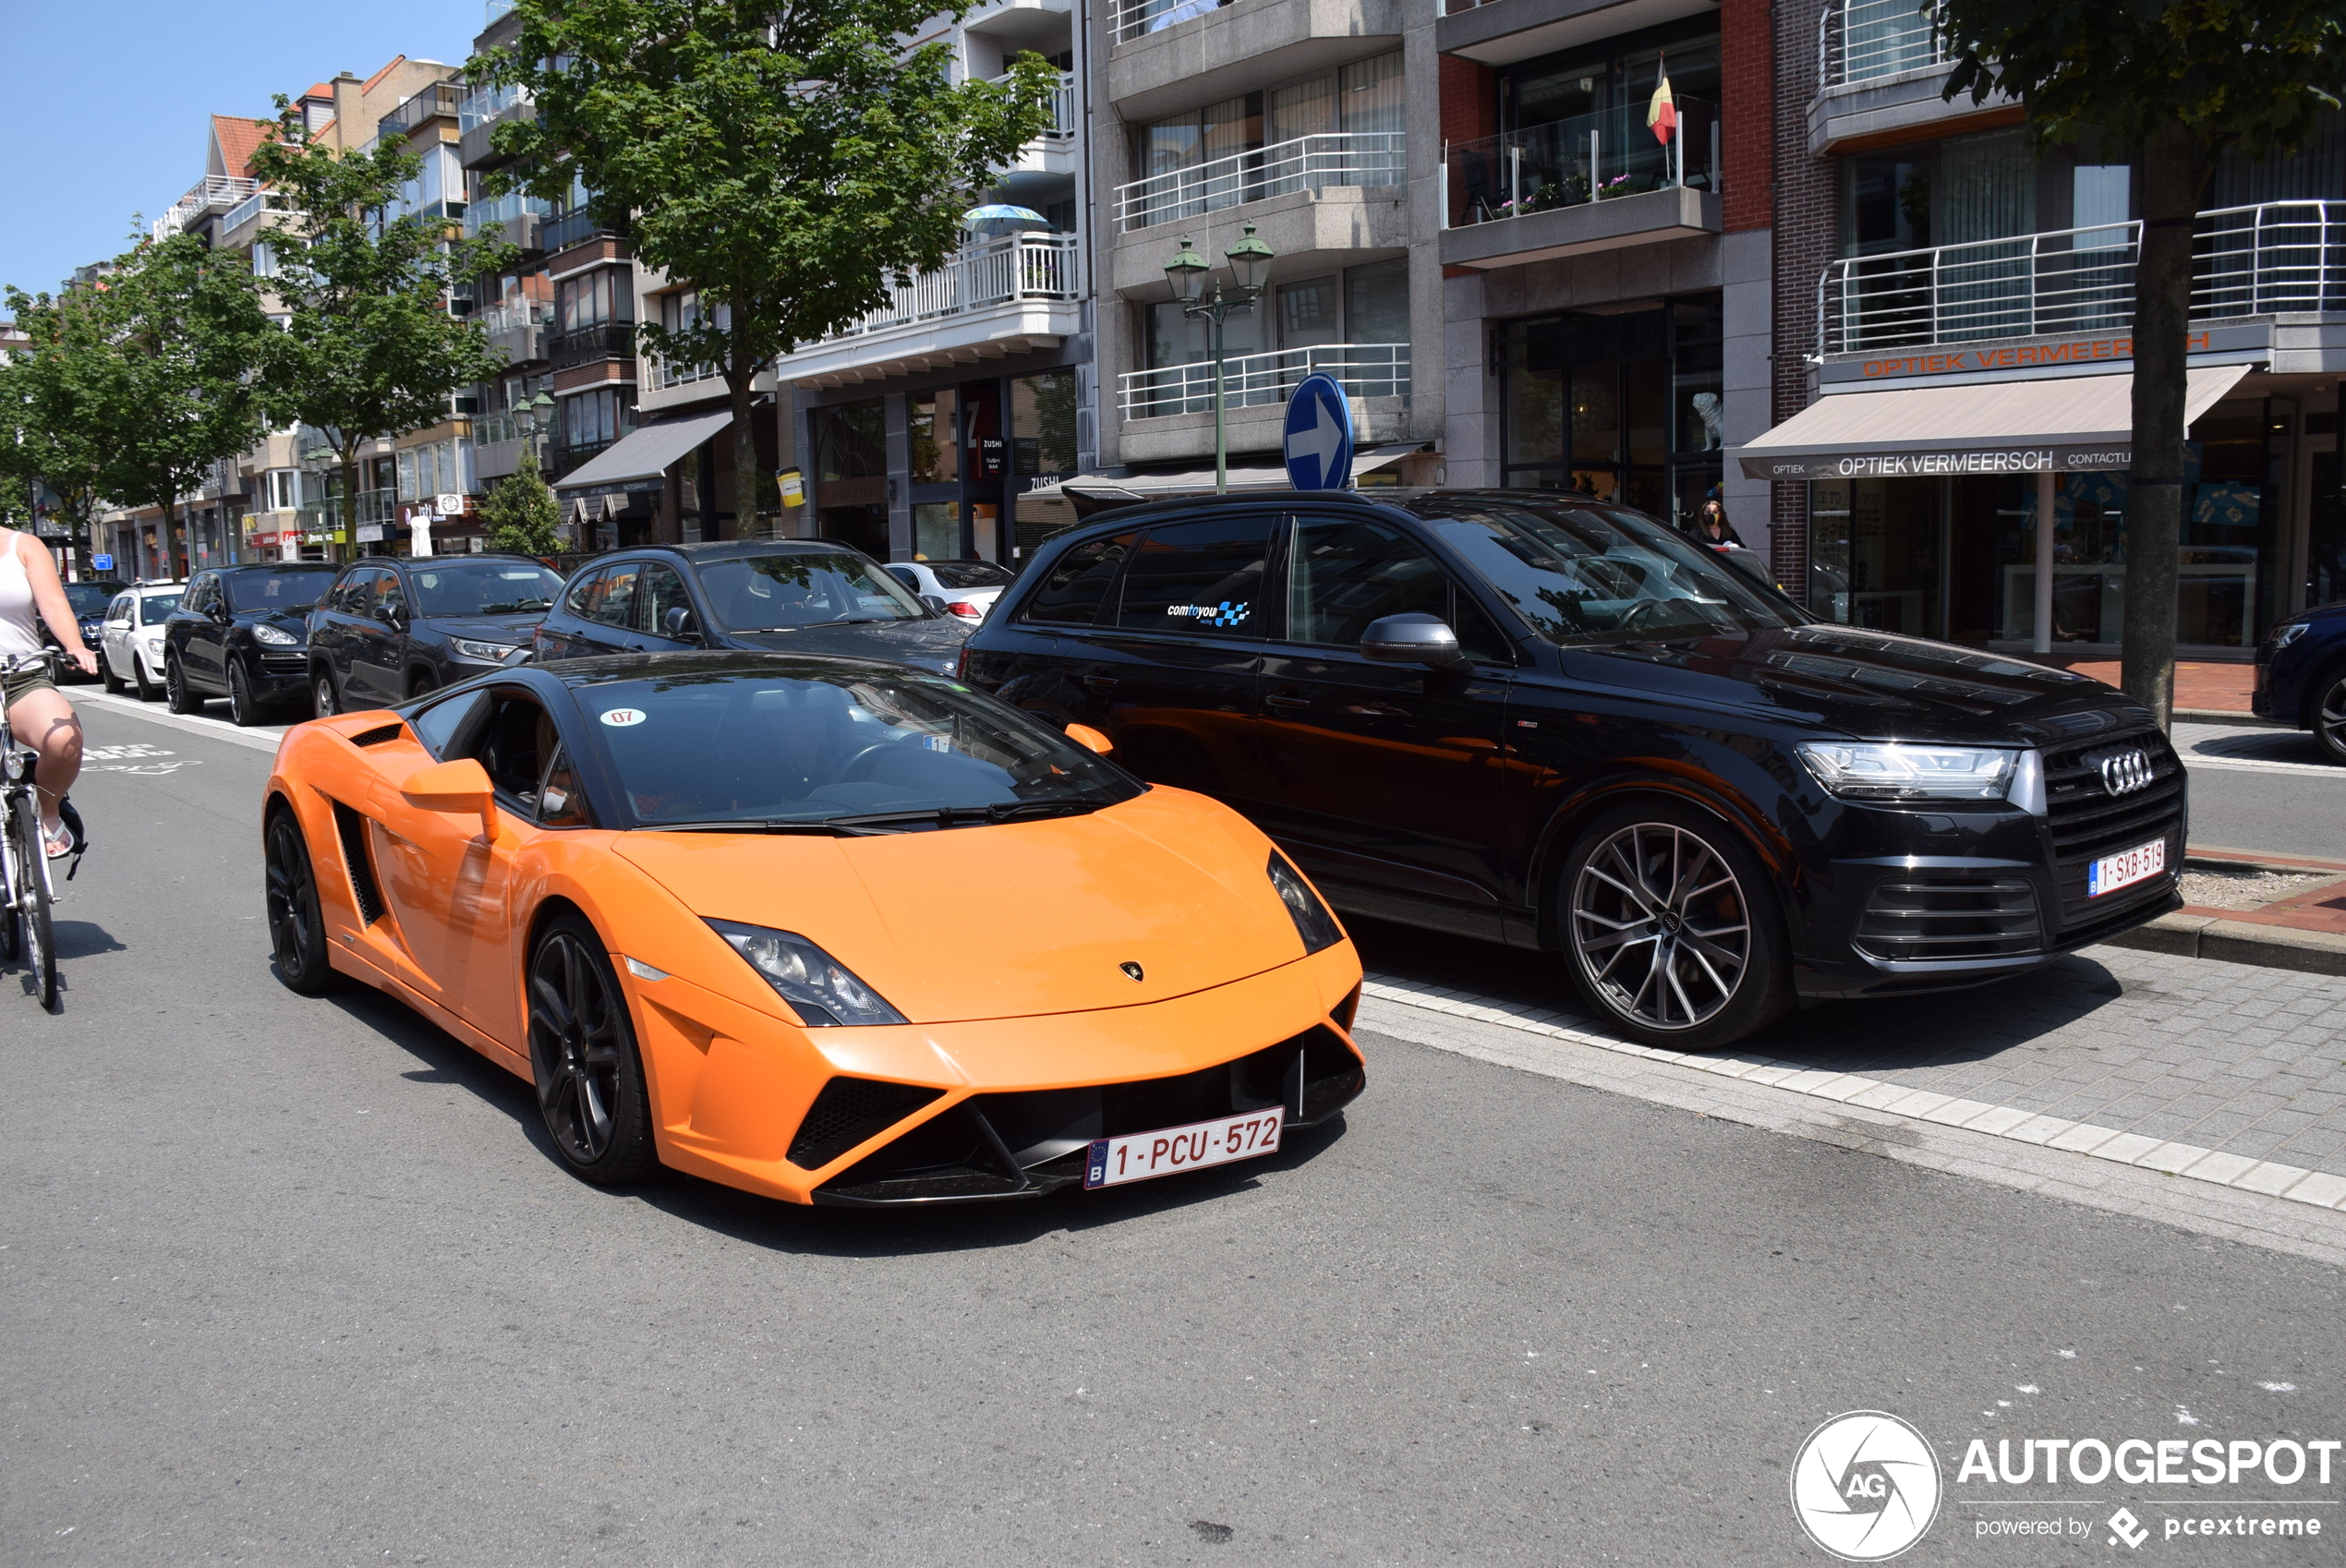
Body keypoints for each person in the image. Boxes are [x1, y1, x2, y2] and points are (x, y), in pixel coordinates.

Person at [0, 528, 97, 857]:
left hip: (20, 676)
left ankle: (48, 809)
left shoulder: (22, 546)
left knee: (64, 739)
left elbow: (53, 602)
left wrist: (75, 646)